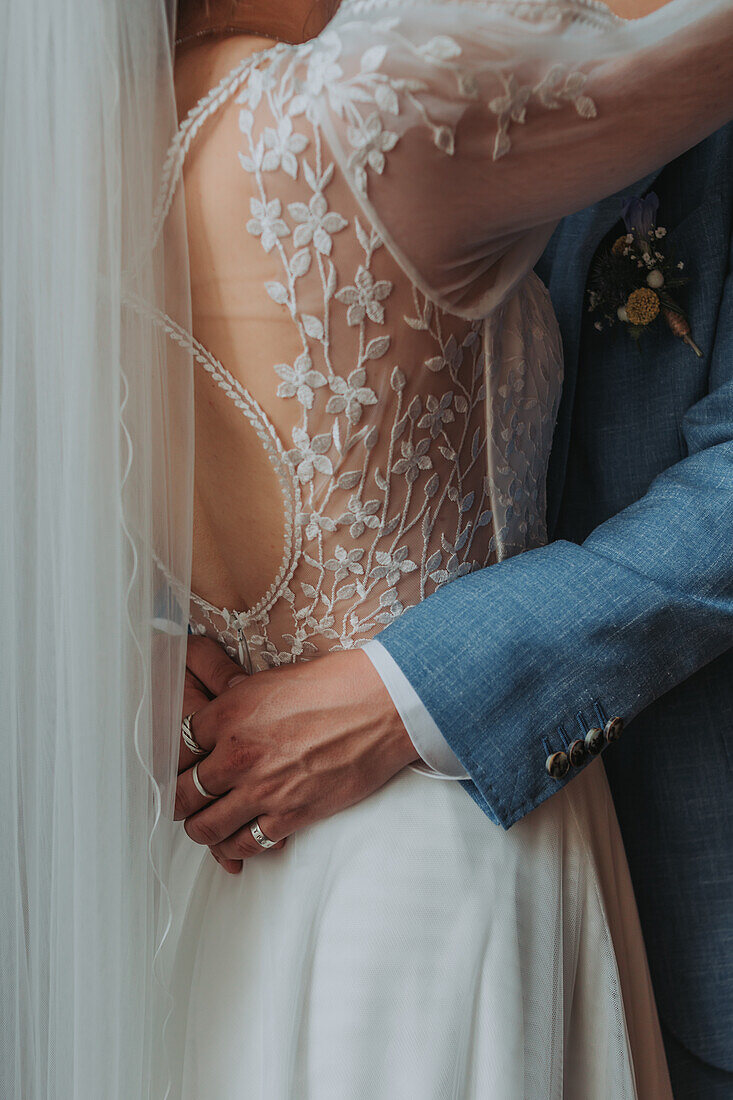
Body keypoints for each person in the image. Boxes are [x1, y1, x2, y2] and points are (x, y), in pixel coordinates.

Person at [158, 1, 733, 1097]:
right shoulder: (363, 83)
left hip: (648, 860)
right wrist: (149, 652)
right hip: (363, 854)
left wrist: (409, 686)